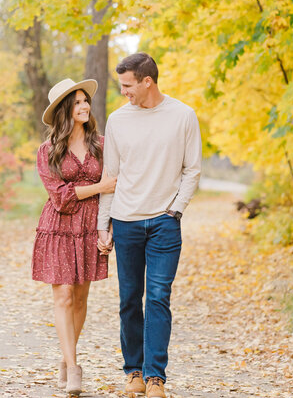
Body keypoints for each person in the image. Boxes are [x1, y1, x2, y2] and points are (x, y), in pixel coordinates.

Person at [97, 53, 202, 398]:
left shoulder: (182, 116)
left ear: (147, 82)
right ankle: (134, 372)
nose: (123, 91)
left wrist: (176, 210)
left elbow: (192, 169)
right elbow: (109, 175)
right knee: (130, 299)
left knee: (158, 297)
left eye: (128, 85)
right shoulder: (117, 120)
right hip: (125, 221)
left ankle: (156, 377)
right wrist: (104, 224)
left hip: (164, 223)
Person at [32, 78, 117, 396]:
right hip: (59, 227)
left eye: (86, 101)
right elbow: (60, 197)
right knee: (63, 296)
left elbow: (115, 189)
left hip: (91, 227)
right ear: (65, 110)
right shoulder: (48, 151)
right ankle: (74, 367)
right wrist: (99, 187)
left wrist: (108, 229)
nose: (84, 106)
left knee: (81, 298)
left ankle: (65, 360)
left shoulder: (103, 145)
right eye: (77, 102)